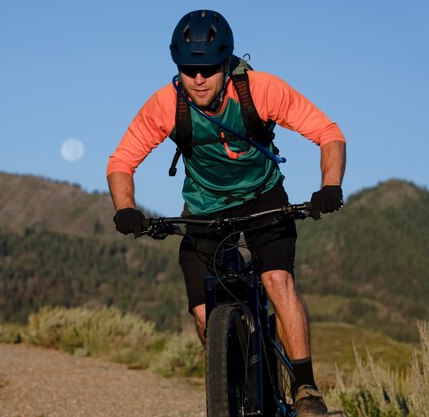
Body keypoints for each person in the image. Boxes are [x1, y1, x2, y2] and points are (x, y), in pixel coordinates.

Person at [106, 9, 345, 417]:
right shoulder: (167, 104)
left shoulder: (261, 90)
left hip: (263, 197)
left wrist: (330, 185)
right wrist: (126, 208)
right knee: (203, 310)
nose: (197, 79)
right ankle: (229, 381)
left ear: (226, 63)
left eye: (208, 69)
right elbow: (121, 162)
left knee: (276, 279)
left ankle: (306, 388)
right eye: (188, 69)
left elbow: (328, 134)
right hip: (204, 207)